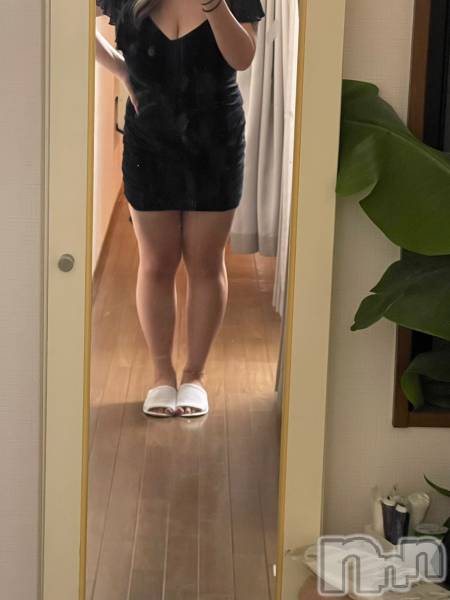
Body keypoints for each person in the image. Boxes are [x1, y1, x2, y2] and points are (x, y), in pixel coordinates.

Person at [95, 0, 265, 417]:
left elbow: (242, 58)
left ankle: (194, 376)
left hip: (216, 142)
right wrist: (119, 68)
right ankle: (161, 376)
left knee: (205, 263)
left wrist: (213, 4)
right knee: (156, 262)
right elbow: (60, 22)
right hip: (148, 140)